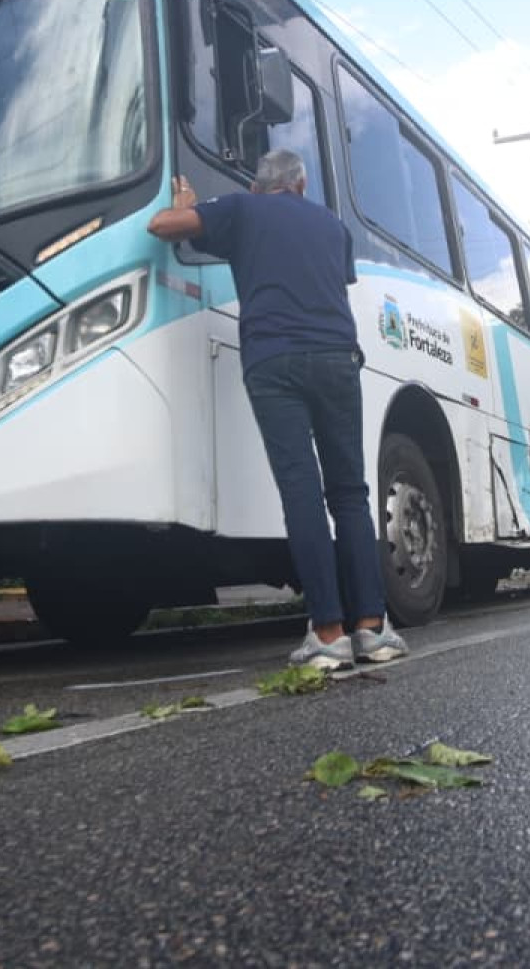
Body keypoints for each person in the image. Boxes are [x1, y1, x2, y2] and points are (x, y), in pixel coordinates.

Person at [147, 150, 407, 671]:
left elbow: (164, 227)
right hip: (336, 359)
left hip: (273, 361)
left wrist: (186, 204)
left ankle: (327, 634)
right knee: (351, 494)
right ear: (301, 184)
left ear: (261, 184)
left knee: (301, 491)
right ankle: (372, 631)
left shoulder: (243, 209)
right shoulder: (334, 226)